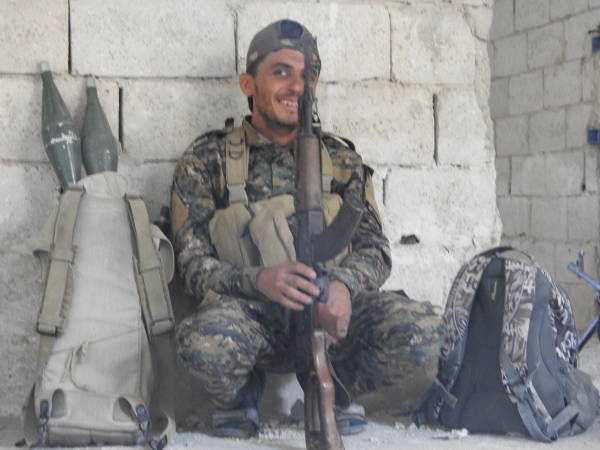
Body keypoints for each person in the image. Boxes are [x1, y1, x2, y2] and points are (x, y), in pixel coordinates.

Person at [170, 19, 445, 439]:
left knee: (426, 330)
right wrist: (257, 280)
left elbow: (375, 249)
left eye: (307, 74)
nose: (297, 86)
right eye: (281, 71)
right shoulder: (207, 160)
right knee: (200, 344)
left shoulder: (342, 160)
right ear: (248, 84)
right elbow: (191, 264)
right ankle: (242, 395)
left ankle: (335, 385)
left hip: (331, 320)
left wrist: (343, 287)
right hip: (251, 317)